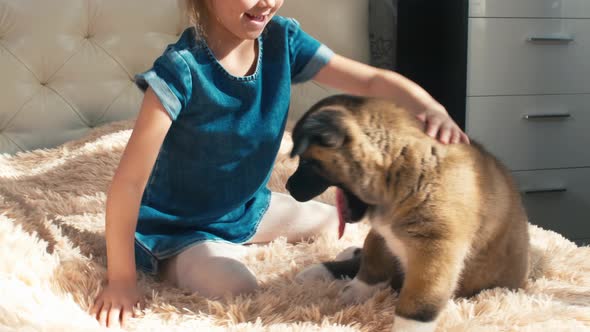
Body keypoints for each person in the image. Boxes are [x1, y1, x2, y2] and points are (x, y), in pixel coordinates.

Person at [90, 0, 469, 328]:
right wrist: (122, 279)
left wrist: (429, 107)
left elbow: (370, 81)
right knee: (238, 287)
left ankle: (245, 243)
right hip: (180, 228)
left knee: (328, 224)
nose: (266, 3)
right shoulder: (180, 72)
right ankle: (177, 261)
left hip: (247, 208)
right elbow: (128, 184)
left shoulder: (283, 40)